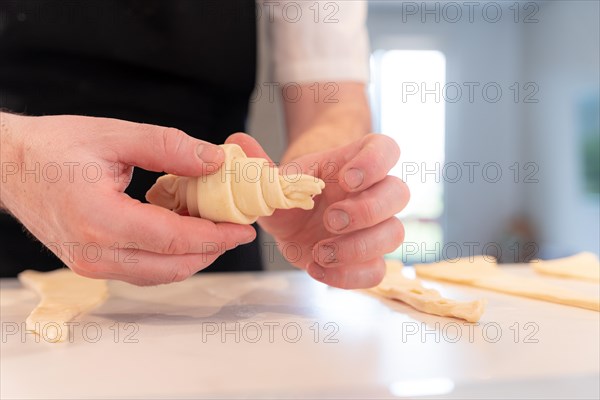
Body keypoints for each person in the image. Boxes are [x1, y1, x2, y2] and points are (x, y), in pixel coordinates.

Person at [0, 1, 409, 289]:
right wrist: (15, 162)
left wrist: (314, 178)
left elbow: (331, 101)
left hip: (216, 275)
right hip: (10, 272)